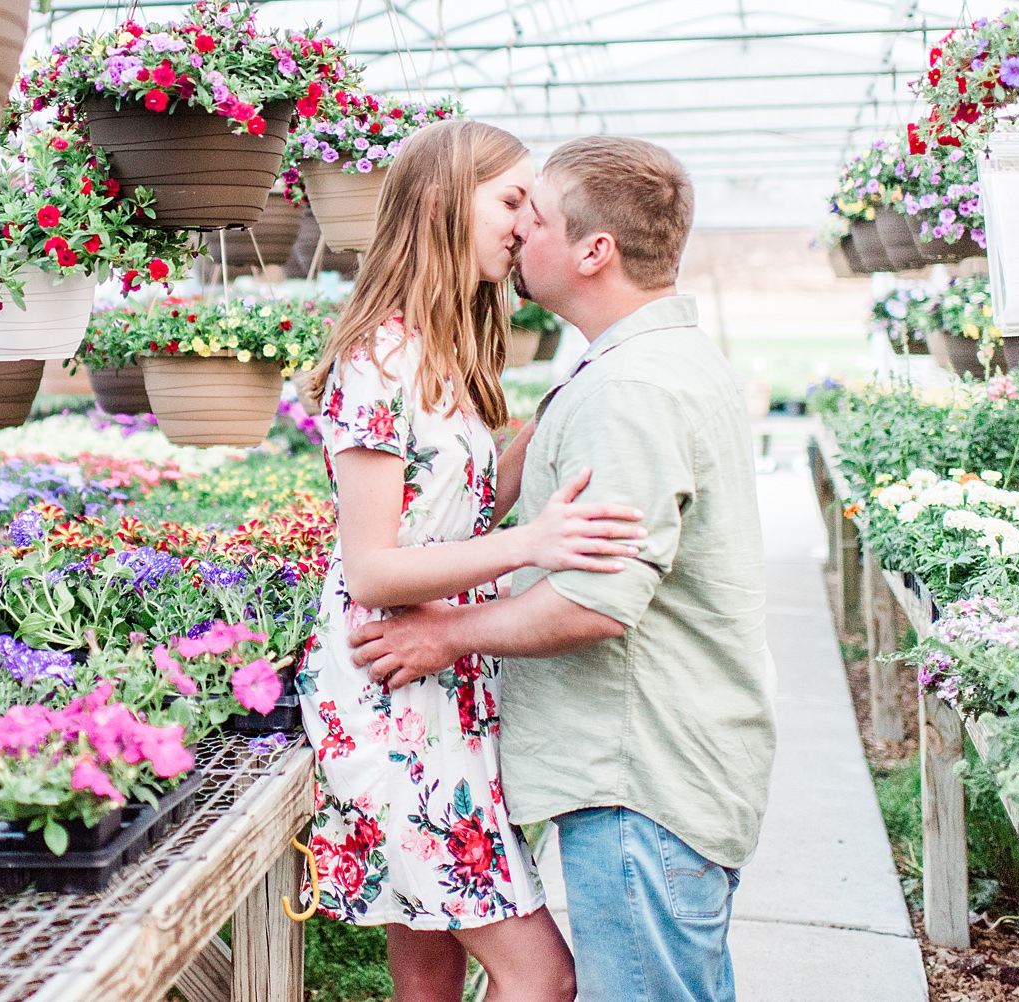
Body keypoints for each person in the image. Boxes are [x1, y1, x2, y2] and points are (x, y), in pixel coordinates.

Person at [350, 135, 777, 1002]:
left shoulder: (630, 390)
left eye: (531, 213)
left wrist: (449, 633)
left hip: (640, 775)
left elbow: (593, 603)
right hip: (646, 768)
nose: (518, 234)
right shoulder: (631, 371)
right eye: (508, 207)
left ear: (594, 250)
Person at [296, 120, 650, 1002]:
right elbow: (374, 568)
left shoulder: (444, 355)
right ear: (443, 203)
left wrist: (547, 427)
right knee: (543, 978)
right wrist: (534, 543)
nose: (526, 223)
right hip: (389, 694)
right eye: (510, 199)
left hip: (441, 682)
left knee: (429, 965)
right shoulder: (379, 359)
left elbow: (441, 521)